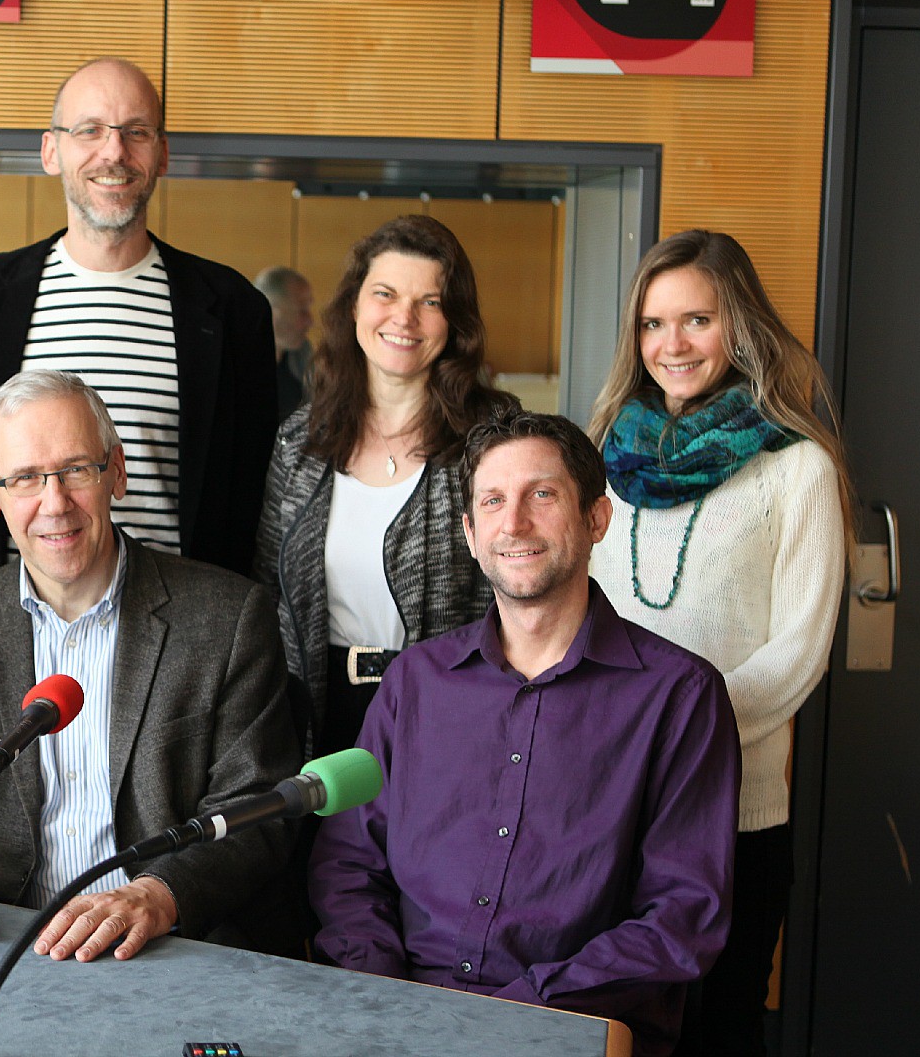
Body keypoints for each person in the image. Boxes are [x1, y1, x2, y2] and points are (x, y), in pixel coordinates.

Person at [310, 410, 740, 1057]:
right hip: (398, 1017)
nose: (513, 523)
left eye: (542, 495)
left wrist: (510, 1016)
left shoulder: (680, 697)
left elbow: (681, 918)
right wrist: (390, 1003)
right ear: (470, 533)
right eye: (493, 501)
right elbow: (347, 864)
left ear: (596, 518)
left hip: (571, 1024)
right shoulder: (415, 682)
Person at [0, 370, 297, 962]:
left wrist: (158, 894)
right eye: (26, 479)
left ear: (116, 470)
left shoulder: (228, 619)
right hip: (1, 947)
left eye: (75, 470)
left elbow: (258, 810)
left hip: (168, 949)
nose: (54, 503)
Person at [587, 230, 852, 1056]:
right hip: (605, 805)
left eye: (696, 319)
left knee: (719, 1029)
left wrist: (667, 738)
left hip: (735, 816)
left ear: (738, 326)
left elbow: (797, 654)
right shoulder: (604, 457)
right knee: (613, 1025)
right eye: (652, 324)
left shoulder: (795, 464)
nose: (671, 345)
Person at [0, 56, 277, 603]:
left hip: (183, 637)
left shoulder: (233, 312)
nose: (114, 152)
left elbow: (253, 501)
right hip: (13, 628)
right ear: (50, 150)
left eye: (136, 132)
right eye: (89, 130)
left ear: (161, 155)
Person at [255, 216, 518, 761]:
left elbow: (519, 587)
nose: (405, 317)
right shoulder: (300, 441)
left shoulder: (493, 439)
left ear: (454, 322)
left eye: (430, 301)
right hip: (316, 716)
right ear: (354, 306)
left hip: (455, 713)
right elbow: (268, 594)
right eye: (385, 294)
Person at [255, 265, 315, 416]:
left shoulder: (302, 355)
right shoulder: (233, 365)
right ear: (270, 312)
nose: (310, 321)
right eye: (302, 311)